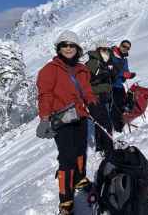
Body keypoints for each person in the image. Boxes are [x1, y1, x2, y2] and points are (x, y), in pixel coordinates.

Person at [36, 30, 97, 215]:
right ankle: (66, 200)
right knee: (67, 158)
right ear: (59, 48)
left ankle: (80, 179)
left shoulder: (82, 69)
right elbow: (45, 95)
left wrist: (93, 102)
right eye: (64, 45)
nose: (68, 48)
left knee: (80, 151)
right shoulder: (50, 69)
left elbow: (86, 91)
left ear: (77, 48)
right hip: (61, 119)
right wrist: (44, 119)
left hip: (80, 117)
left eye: (72, 45)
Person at [85, 40, 116, 154]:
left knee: (100, 124)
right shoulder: (92, 64)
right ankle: (109, 150)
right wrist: (103, 87)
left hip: (101, 98)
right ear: (98, 50)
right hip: (93, 99)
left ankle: (100, 147)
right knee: (106, 123)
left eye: (107, 49)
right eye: (103, 49)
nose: (106, 51)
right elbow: (84, 87)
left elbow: (108, 77)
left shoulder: (104, 62)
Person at [110, 40, 136, 132]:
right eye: (124, 46)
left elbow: (126, 71)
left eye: (128, 48)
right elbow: (110, 69)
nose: (125, 49)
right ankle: (116, 128)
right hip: (110, 85)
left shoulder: (124, 59)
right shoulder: (111, 55)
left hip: (119, 85)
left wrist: (129, 75)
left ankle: (120, 125)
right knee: (114, 106)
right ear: (120, 45)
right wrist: (123, 74)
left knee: (122, 104)